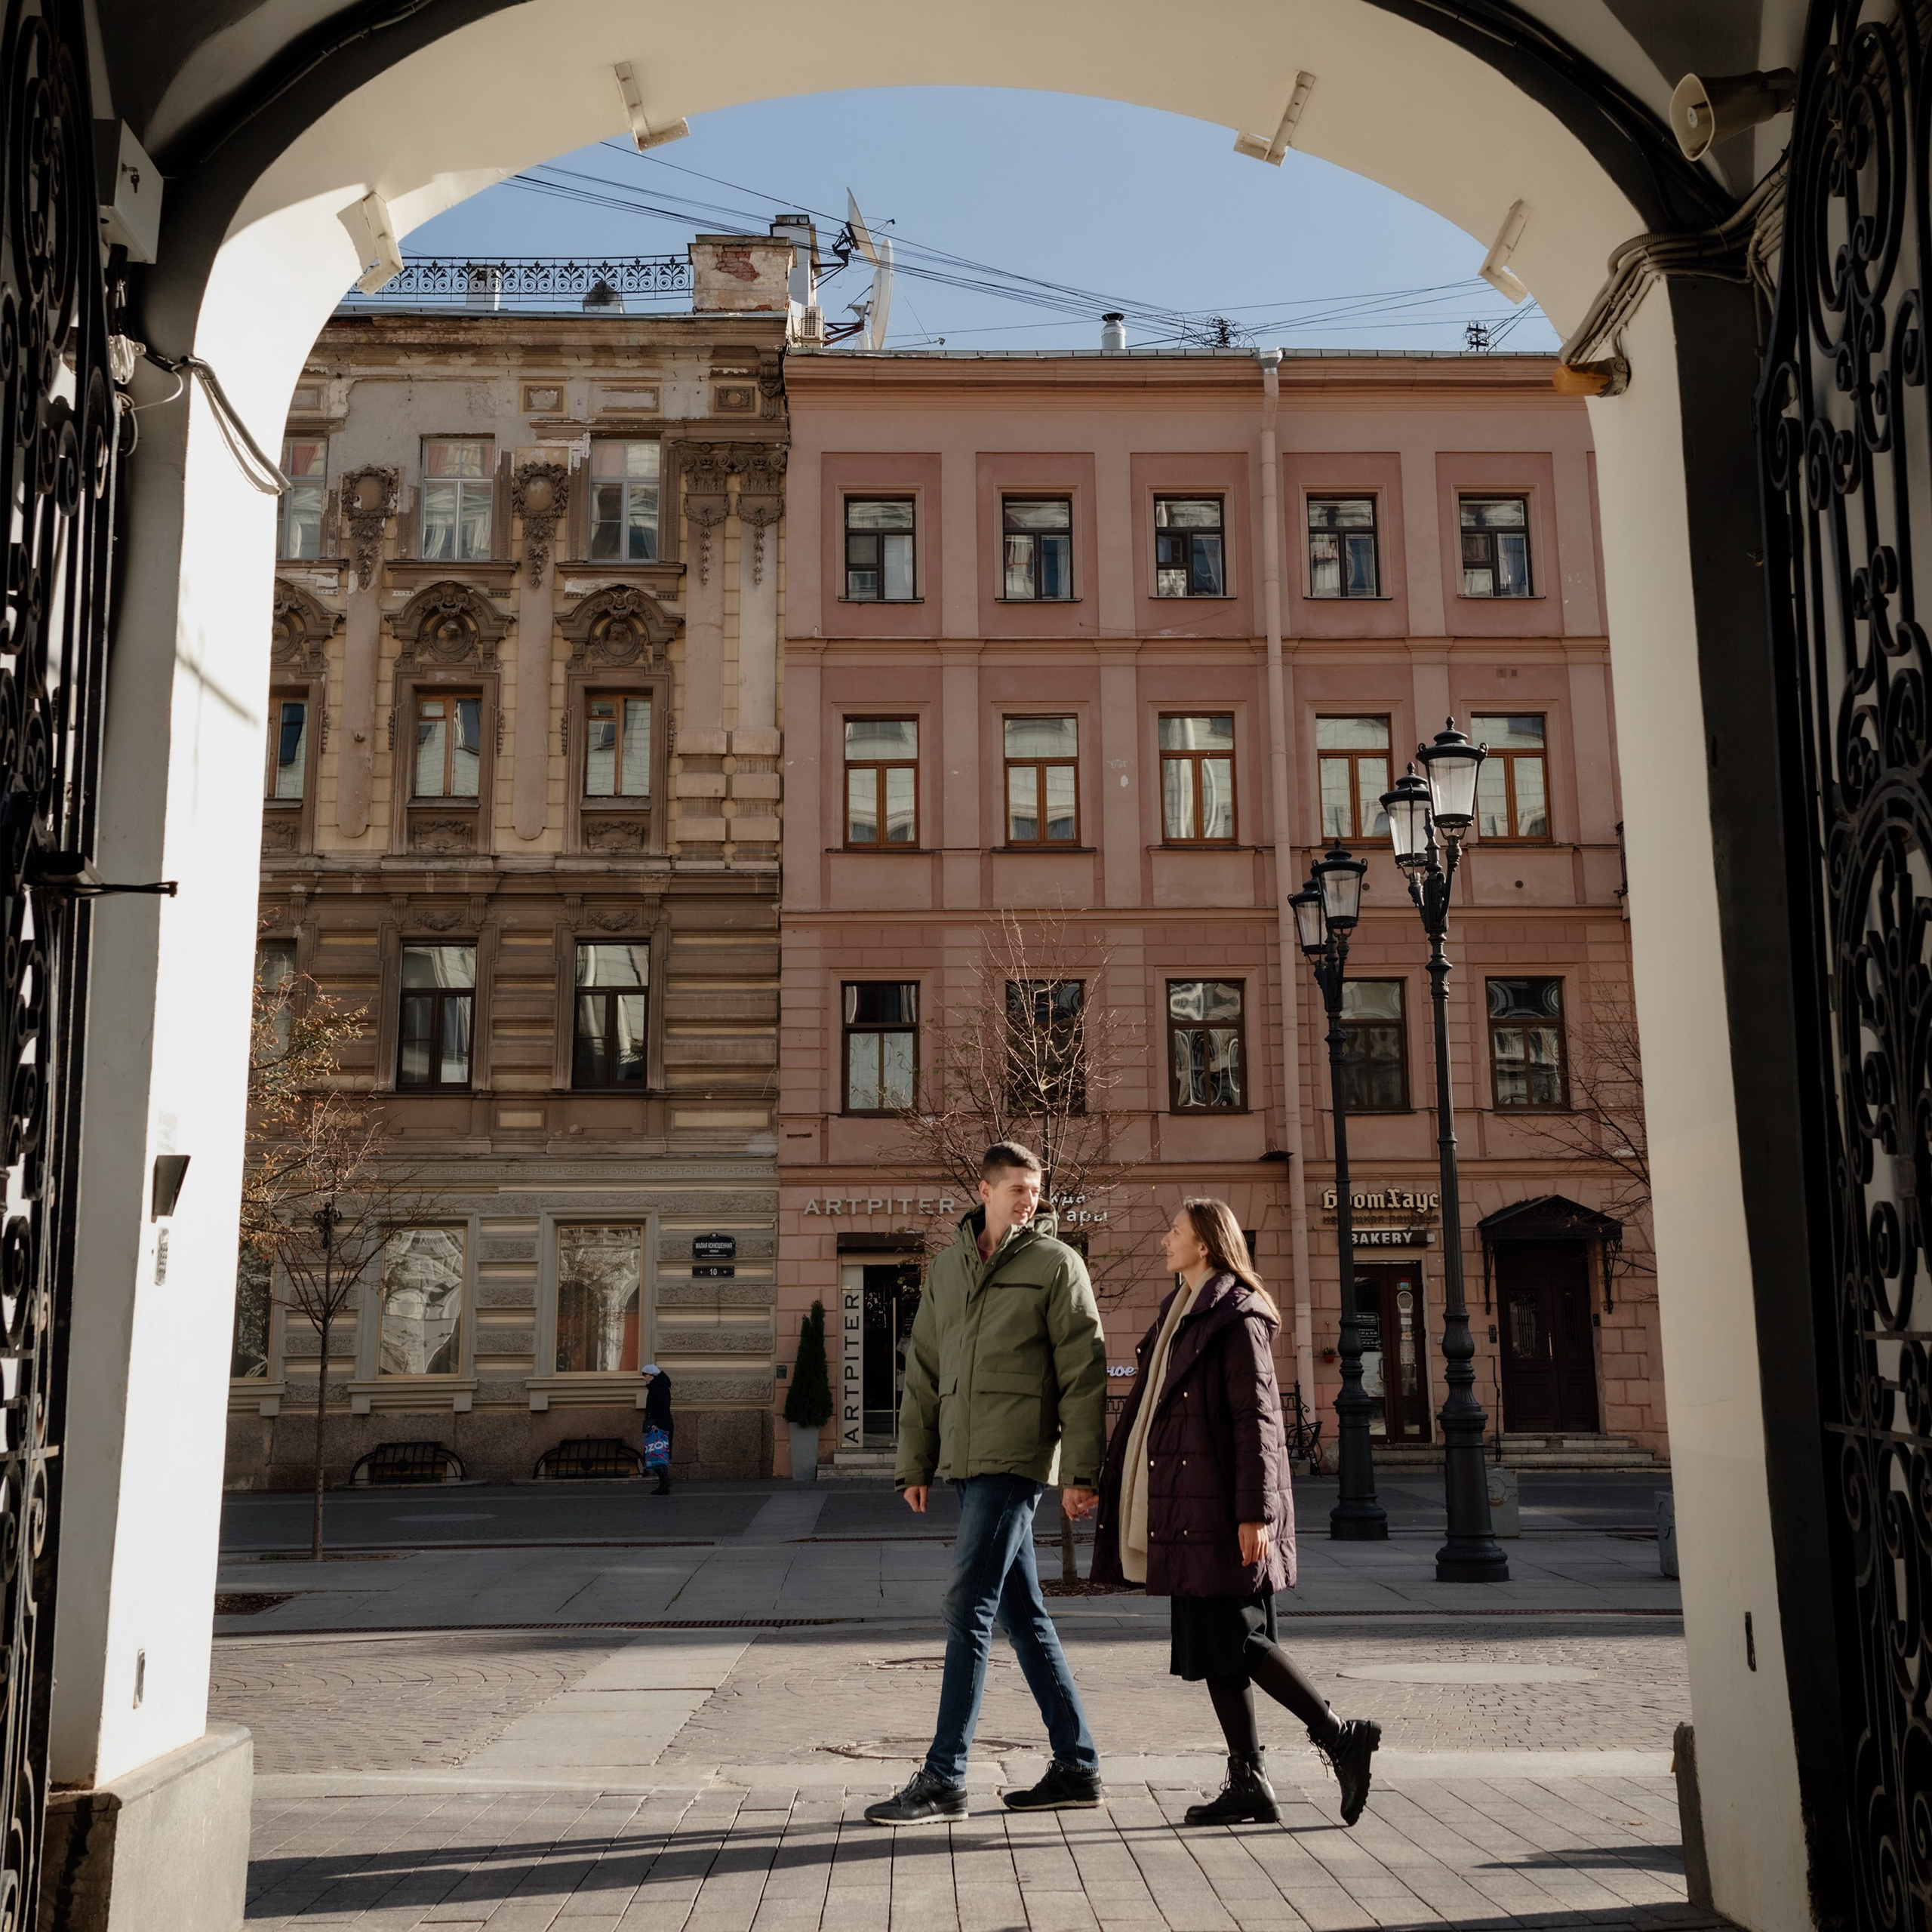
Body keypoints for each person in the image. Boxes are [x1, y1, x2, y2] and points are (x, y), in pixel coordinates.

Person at [1092, 1198, 1380, 1828]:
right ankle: (1249, 1779)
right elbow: (1144, 1412)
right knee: (1216, 1645)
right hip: (1188, 1503)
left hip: (1223, 1507)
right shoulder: (1180, 1312)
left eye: (1174, 1231)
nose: (1164, 1240)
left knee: (1240, 1640)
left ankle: (1340, 1736)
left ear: (1204, 1245)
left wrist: (1256, 1512)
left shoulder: (1236, 1316)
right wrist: (1103, 1482)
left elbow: (1258, 1423)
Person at [864, 1142, 1109, 1826]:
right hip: (968, 1458)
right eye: (1018, 1190)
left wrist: (1082, 1472)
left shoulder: (1057, 1265)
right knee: (1021, 1613)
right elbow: (925, 1368)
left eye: (1036, 1190)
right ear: (985, 1190)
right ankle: (1078, 1765)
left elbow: (1085, 1372)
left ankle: (945, 1777)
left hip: (1018, 1455)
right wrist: (915, 1461)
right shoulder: (947, 1268)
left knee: (966, 1605)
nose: (1030, 1200)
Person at [641, 1363, 673, 1496]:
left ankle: (664, 1481)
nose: (644, 1378)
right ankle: (664, 1482)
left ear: (653, 1375)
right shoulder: (657, 1387)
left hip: (660, 1425)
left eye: (646, 1375)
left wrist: (657, 1424)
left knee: (658, 1452)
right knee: (657, 1451)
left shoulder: (659, 1388)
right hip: (659, 1424)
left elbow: (663, 1408)